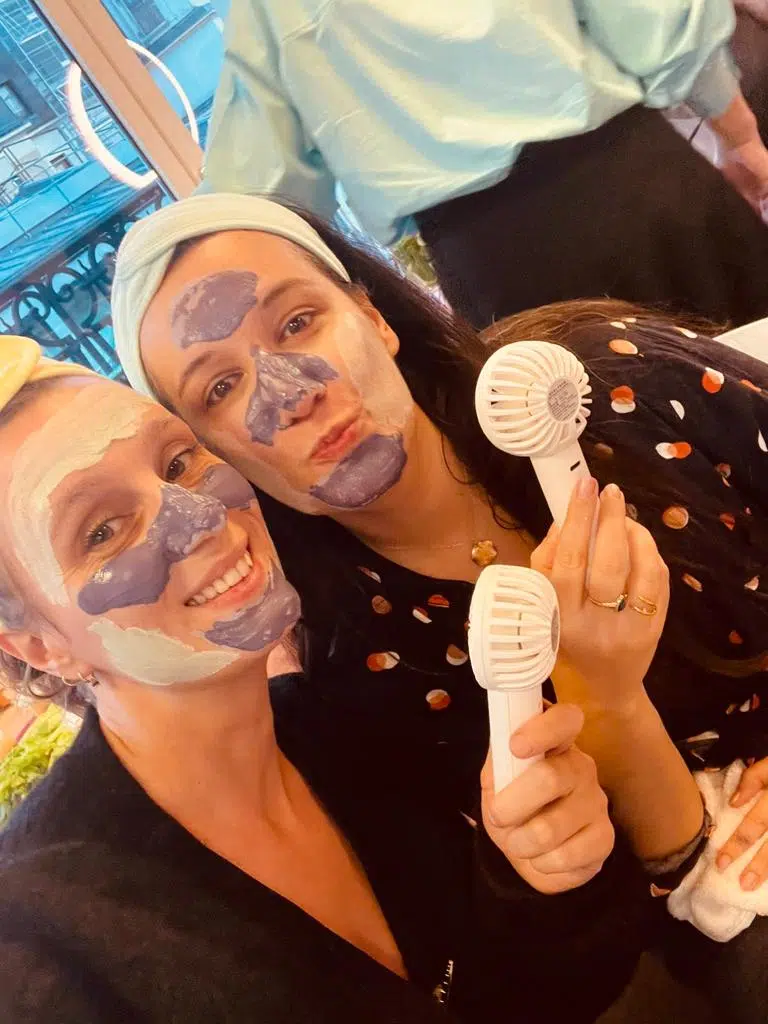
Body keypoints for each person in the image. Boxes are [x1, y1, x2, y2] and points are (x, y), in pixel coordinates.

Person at [0, 337, 700, 1023]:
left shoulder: (338, 727)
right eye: (102, 532)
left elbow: (527, 995)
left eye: (179, 462)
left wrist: (540, 881)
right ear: (37, 645)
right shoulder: (43, 955)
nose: (202, 517)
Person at [199, 0, 768, 328]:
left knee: (646, 476)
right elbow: (649, 15)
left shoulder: (266, 11)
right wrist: (740, 137)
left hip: (497, 265)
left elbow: (255, 204)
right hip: (635, 181)